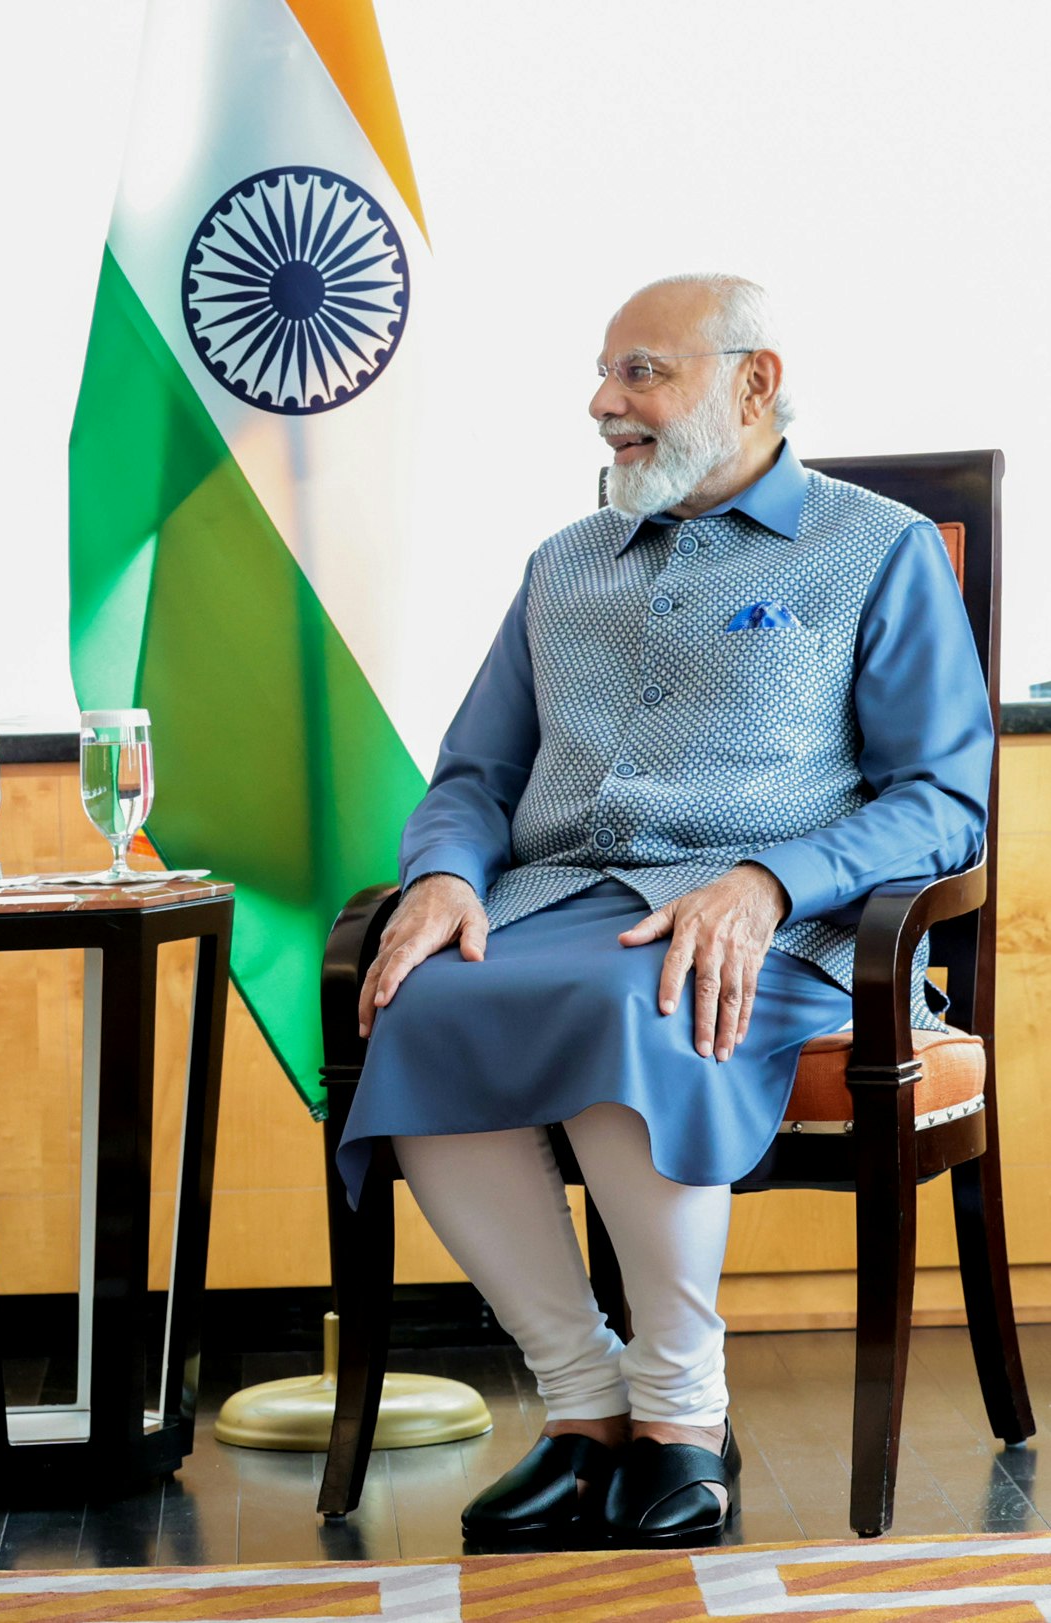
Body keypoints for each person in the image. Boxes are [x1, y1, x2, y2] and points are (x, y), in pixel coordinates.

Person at [335, 273, 991, 1546]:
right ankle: (583, 1405)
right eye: (602, 372)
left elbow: (940, 802)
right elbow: (474, 774)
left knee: (636, 998)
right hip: (554, 903)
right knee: (413, 1001)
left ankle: (683, 1417)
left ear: (752, 384)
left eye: (641, 371)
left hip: (784, 930)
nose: (603, 402)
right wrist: (444, 876)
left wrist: (765, 882)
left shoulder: (879, 549)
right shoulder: (559, 565)